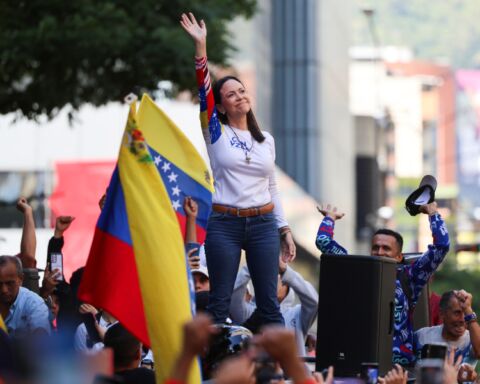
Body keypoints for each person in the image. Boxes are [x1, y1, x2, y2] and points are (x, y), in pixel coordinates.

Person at [180, 12, 295, 327]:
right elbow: (204, 89)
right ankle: (214, 371)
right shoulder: (215, 132)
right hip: (224, 224)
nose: (240, 96)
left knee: (270, 308)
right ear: (220, 106)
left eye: (242, 91)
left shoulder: (265, 140)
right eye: (231, 94)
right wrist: (201, 47)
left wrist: (284, 229)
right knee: (218, 306)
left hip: (263, 224)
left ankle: (271, 373)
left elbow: (272, 187)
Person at [315, 202, 449, 366]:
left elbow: (442, 246)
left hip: (400, 369)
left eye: (386, 248)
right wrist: (330, 218)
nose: (379, 252)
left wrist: (433, 214)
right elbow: (323, 242)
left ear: (399, 256)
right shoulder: (357, 272)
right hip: (361, 364)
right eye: (375, 247)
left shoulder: (410, 277)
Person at [230, 257, 318, 353]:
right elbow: (234, 296)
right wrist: (254, 261)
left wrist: (286, 271)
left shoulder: (297, 314)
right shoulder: (250, 310)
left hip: (289, 367)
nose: (269, 280)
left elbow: (314, 301)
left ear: (286, 286)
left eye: (275, 276)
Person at [415, 290, 480, 382]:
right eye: (457, 313)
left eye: (465, 313)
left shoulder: (472, 340)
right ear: (442, 314)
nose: (462, 319)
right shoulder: (422, 336)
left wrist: (468, 310)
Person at [0, 255, 50, 337]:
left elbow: (41, 340)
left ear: (21, 279)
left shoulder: (34, 303)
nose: (4, 290)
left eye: (10, 283)